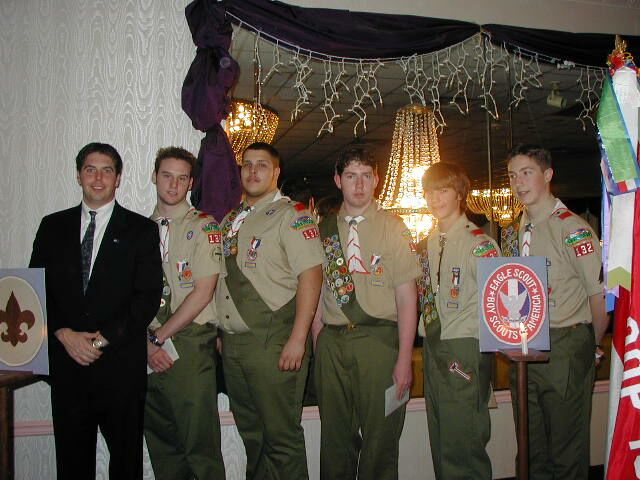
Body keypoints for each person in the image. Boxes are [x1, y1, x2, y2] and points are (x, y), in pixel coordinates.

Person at [29, 142, 163, 479]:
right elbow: (36, 291)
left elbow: (146, 298)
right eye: (90, 170)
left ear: (118, 178)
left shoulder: (141, 230)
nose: (98, 178)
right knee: (72, 465)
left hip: (120, 369)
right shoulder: (52, 227)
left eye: (107, 171)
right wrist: (63, 334)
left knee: (126, 464)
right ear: (79, 175)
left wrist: (99, 341)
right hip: (67, 368)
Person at [216, 142, 324, 479]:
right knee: (253, 436)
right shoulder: (230, 220)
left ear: (276, 172)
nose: (252, 171)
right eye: (247, 164)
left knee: (281, 438)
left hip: (274, 340)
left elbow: (311, 275)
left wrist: (298, 338)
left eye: (261, 165)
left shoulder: (292, 216)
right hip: (234, 345)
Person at [311, 148, 419, 480]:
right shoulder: (323, 230)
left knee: (380, 437)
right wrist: (318, 345)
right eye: (350, 176)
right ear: (338, 180)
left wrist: (405, 359)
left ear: (376, 180)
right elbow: (316, 293)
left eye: (366, 176)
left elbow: (407, 298)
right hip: (332, 342)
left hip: (379, 342)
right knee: (334, 437)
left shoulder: (394, 227)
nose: (359, 185)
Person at [502, 144, 607, 479]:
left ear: (547, 175)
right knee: (531, 450)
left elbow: (599, 298)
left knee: (566, 450)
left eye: (527, 172)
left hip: (565, 344)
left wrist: (591, 346)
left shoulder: (572, 229)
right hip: (526, 346)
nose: (518, 182)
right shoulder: (517, 229)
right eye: (512, 175)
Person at [144, 147, 225, 479]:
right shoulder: (138, 230)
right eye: (167, 176)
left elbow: (203, 292)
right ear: (154, 177)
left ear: (190, 183)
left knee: (200, 445)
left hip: (189, 342)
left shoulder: (204, 227)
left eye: (181, 178)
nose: (173, 185)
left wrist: (159, 338)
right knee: (162, 444)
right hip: (147, 345)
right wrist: (146, 344)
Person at [418, 162, 499, 479]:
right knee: (440, 438)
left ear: (459, 194)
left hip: (464, 346)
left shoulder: (479, 243)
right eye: (429, 192)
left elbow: (496, 303)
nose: (434, 198)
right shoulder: (429, 242)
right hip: (433, 345)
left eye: (443, 190)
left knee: (463, 441)